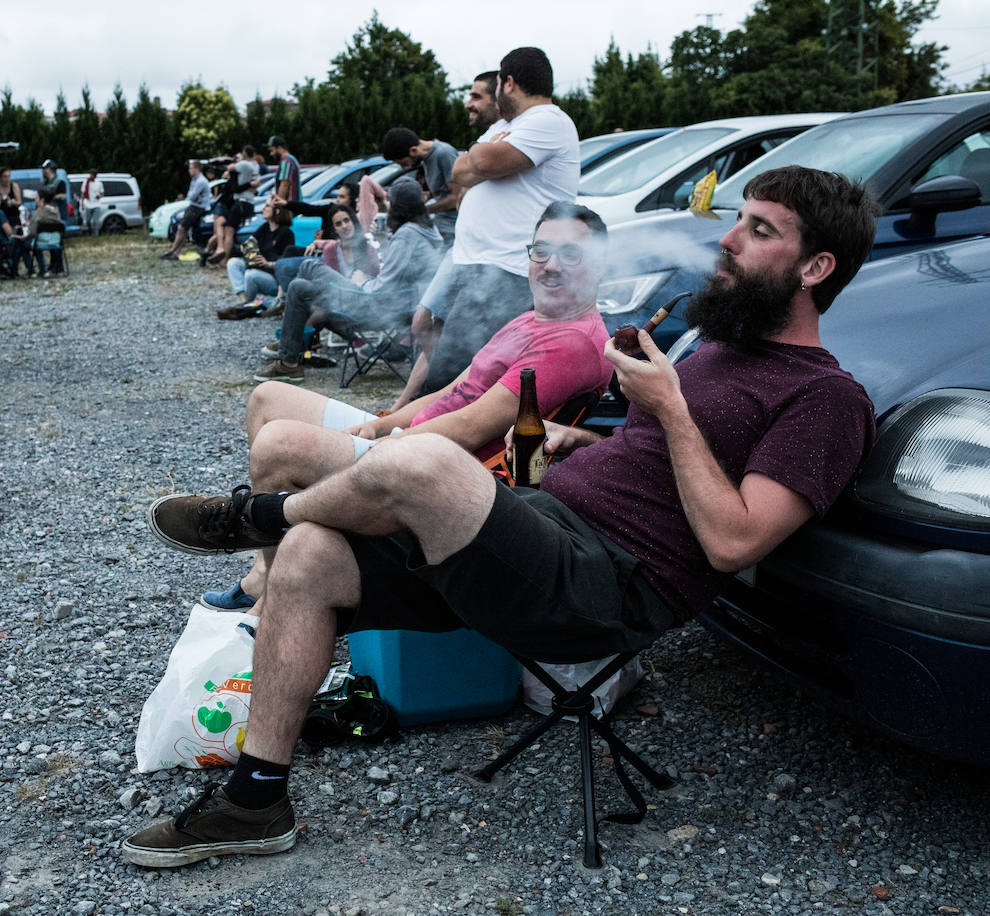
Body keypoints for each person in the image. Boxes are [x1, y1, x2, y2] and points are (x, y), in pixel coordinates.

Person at [123, 166, 881, 868]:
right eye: (738, 219)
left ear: (816, 268)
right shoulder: (720, 350)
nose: (727, 237)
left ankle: (256, 514)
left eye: (758, 230)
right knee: (311, 554)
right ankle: (256, 800)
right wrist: (589, 436)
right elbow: (662, 459)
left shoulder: (827, 400)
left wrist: (671, 409)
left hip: (607, 585)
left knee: (429, 463)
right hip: (542, 522)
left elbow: (734, 540)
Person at [203, 201, 614, 611]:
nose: (550, 265)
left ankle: (277, 597)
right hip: (414, 439)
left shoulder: (571, 342)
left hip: (445, 472)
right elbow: (455, 387)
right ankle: (267, 574)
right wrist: (383, 425)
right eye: (540, 251)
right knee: (269, 398)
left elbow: (473, 426)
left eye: (570, 254)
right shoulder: (533, 319)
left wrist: (387, 447)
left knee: (279, 445)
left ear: (598, 264)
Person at [423, 47, 580, 394]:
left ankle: (426, 442)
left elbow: (482, 162)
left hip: (506, 271)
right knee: (457, 376)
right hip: (483, 268)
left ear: (508, 83)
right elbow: (460, 170)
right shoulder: (509, 126)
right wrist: (478, 158)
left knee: (455, 380)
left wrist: (479, 155)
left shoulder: (548, 120)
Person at [254, 177, 441, 383]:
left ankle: (290, 337)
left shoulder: (406, 236)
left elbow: (381, 287)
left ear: (398, 206)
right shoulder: (429, 231)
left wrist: (360, 282)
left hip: (378, 308)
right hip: (392, 305)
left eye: (390, 201)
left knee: (309, 266)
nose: (386, 205)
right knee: (299, 286)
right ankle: (288, 362)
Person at [381, 127, 460, 244]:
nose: (405, 168)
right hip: (442, 225)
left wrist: (421, 211)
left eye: (404, 163)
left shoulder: (444, 154)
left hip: (454, 228)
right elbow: (441, 191)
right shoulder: (426, 158)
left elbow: (456, 198)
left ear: (413, 150)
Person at [221, 198, 294, 316]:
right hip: (259, 269)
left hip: (274, 279)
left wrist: (268, 263)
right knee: (233, 263)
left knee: (251, 274)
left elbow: (287, 263)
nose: (263, 209)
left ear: (277, 211)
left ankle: (249, 304)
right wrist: (250, 253)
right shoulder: (264, 228)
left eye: (267, 206)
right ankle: (244, 302)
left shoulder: (286, 233)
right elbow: (249, 246)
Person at [209, 147, 263, 265]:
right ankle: (215, 250)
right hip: (246, 203)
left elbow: (231, 175)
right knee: (221, 224)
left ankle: (223, 257)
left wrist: (229, 171)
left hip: (240, 203)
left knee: (228, 231)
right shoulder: (256, 166)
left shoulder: (243, 165)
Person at [162, 161, 214, 260]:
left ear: (196, 169)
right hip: (193, 206)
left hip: (197, 208)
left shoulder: (201, 181)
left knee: (181, 228)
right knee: (184, 229)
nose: (189, 171)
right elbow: (191, 195)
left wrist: (192, 196)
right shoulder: (194, 180)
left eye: (190, 168)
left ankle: (173, 251)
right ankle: (175, 252)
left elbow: (191, 195)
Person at [28, 188, 66, 277]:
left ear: (42, 200)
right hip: (56, 241)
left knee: (28, 244)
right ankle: (58, 268)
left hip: (41, 242)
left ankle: (42, 268)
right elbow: (60, 225)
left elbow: (32, 231)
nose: (35, 200)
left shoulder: (38, 213)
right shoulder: (56, 211)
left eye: (36, 197)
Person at [268, 136, 301, 203]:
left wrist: (278, 204)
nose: (271, 154)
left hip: (289, 206)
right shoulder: (291, 159)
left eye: (272, 150)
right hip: (293, 204)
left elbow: (284, 185)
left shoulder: (287, 162)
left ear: (279, 148)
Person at [81, 169, 105, 237]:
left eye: (92, 174)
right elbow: (82, 192)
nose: (90, 176)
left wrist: (99, 196)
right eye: (90, 174)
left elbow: (102, 193)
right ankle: (90, 231)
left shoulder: (99, 183)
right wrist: (82, 203)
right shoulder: (86, 182)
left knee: (95, 221)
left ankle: (95, 234)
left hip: (96, 204)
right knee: (88, 221)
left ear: (95, 175)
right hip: (88, 204)